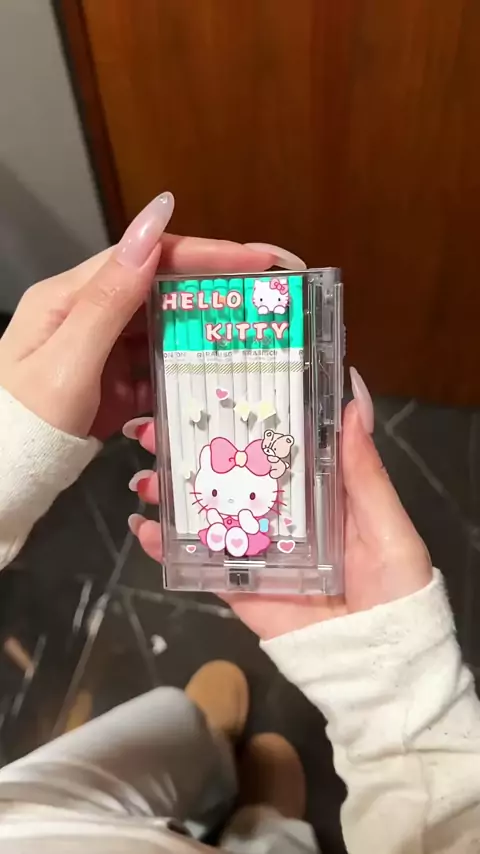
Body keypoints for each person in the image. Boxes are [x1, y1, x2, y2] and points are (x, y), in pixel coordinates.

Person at [0, 191, 478, 853]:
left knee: (168, 726)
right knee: (264, 835)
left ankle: (208, 747)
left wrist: (12, 456)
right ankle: (268, 826)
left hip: (31, 818)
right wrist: (400, 712)